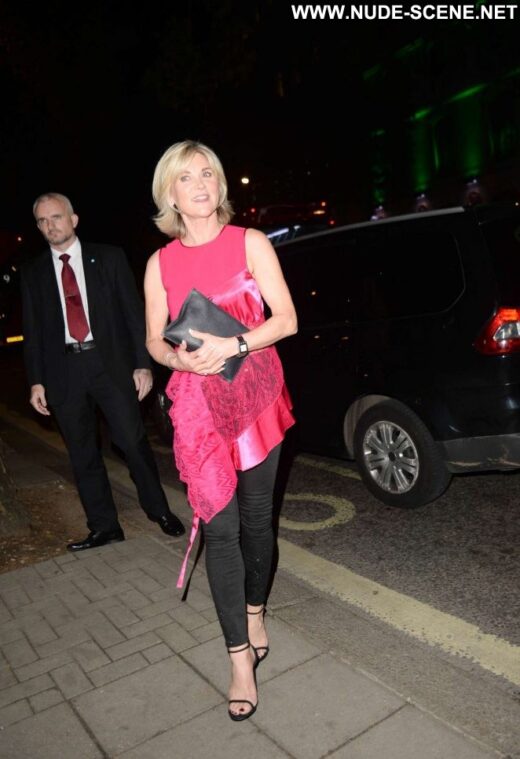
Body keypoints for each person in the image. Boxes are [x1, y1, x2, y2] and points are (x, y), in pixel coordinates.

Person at [144, 140, 297, 722]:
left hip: (257, 400)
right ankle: (238, 660)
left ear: (220, 183)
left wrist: (234, 343)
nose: (200, 185)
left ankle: (255, 611)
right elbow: (154, 339)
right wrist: (177, 360)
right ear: (170, 194)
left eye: (208, 173)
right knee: (222, 529)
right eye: (186, 177)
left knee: (258, 521)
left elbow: (287, 320)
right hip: (202, 412)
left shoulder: (250, 242)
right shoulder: (160, 263)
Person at [21, 192, 185, 551]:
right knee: (82, 454)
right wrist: (36, 381)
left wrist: (142, 364)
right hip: (64, 371)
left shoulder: (109, 258)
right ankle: (104, 526)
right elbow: (33, 332)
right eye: (43, 221)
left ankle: (159, 511)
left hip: (109, 364)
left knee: (132, 442)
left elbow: (133, 313)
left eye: (56, 217)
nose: (50, 225)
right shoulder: (33, 273)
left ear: (73, 219)